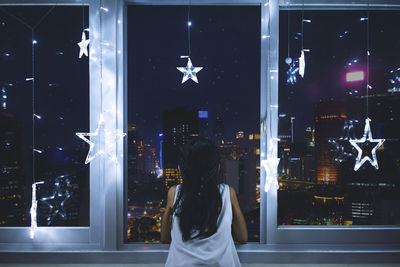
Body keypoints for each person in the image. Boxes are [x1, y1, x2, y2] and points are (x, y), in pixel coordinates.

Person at [161, 137, 247, 267]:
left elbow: (165, 238)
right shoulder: (227, 193)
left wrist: (169, 208)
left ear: (181, 169)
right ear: (217, 168)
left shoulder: (175, 193)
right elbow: (242, 237)